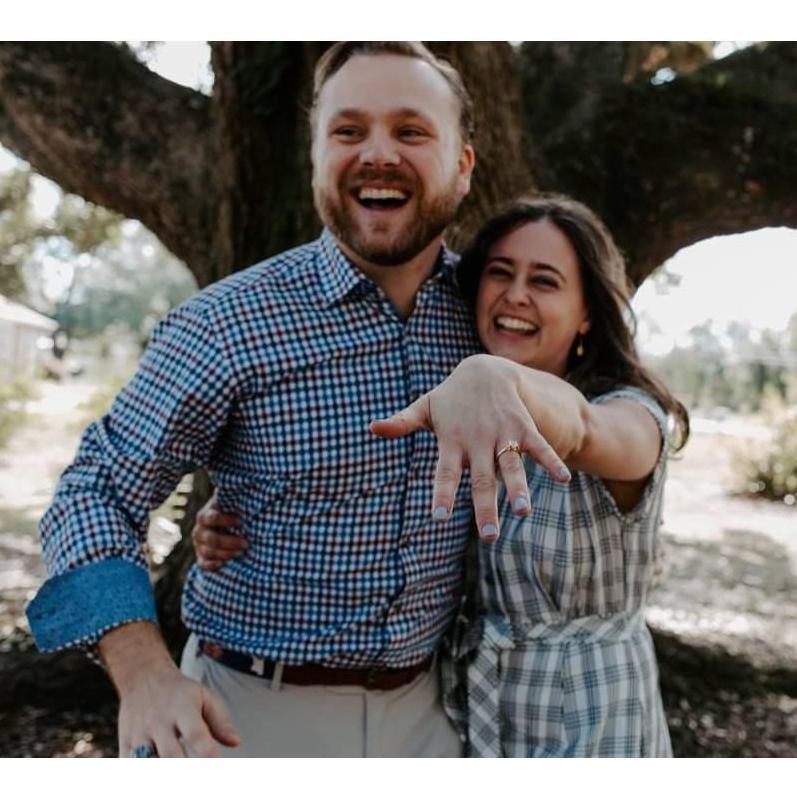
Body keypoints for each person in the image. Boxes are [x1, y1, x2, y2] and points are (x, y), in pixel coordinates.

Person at [26, 42, 568, 758]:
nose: (378, 153)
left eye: (410, 131)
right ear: (315, 159)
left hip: (439, 719)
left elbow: (613, 420)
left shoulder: (501, 324)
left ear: (462, 167)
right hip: (245, 717)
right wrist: (144, 675)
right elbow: (93, 492)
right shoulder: (224, 325)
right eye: (348, 131)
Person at [196, 195, 689, 757]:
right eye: (500, 273)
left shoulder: (630, 412)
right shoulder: (456, 412)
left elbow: (584, 428)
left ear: (586, 314)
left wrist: (492, 375)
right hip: (468, 714)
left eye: (545, 281)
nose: (516, 294)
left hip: (590, 717)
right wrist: (241, 520)